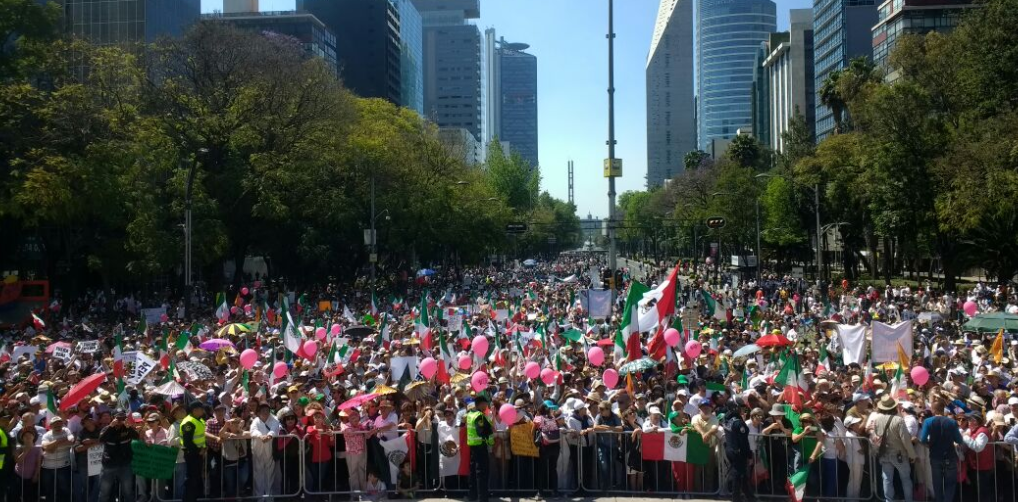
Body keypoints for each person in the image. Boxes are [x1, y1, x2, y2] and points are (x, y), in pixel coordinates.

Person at [869, 394, 916, 502]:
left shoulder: (877, 420)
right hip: (899, 455)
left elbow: (876, 438)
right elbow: (905, 440)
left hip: (884, 453)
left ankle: (888, 500)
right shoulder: (898, 420)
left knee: (887, 480)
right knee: (906, 479)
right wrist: (912, 454)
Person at [921, 399, 966, 502]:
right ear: (943, 409)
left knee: (937, 483)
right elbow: (959, 440)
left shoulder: (928, 421)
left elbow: (923, 439)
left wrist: (930, 445)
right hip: (950, 456)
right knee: (950, 484)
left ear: (933, 409)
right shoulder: (952, 422)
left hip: (935, 456)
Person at [97, 409, 140, 502]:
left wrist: (129, 427)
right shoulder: (106, 429)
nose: (120, 420)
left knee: (128, 492)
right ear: (113, 418)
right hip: (109, 465)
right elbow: (101, 440)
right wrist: (111, 426)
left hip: (125, 464)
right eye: (118, 418)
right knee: (104, 493)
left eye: (122, 418)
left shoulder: (127, 428)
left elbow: (137, 437)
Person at [723, 402, 753, 502]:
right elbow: (743, 442)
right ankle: (736, 498)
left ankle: (749, 497)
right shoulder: (738, 423)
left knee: (741, 474)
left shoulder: (727, 420)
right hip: (738, 452)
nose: (744, 410)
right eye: (742, 407)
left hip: (730, 450)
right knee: (738, 475)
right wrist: (749, 455)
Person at [466, 394, 494, 502]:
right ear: (481, 404)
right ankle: (482, 498)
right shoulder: (479, 416)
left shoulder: (470, 414)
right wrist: (489, 430)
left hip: (473, 446)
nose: (487, 406)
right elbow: (481, 431)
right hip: (480, 446)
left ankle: (472, 496)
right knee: (481, 473)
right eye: (486, 404)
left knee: (473, 472)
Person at [40, 415, 75, 502]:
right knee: (49, 490)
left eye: (59, 423)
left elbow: (71, 441)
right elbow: (45, 447)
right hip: (48, 468)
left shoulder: (66, 430)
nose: (57, 425)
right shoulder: (46, 435)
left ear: (62, 424)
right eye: (55, 424)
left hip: (63, 466)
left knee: (64, 489)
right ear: (51, 426)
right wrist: (59, 441)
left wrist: (52, 446)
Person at [249, 402, 279, 498]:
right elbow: (253, 430)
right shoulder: (256, 421)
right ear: (259, 412)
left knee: (269, 473)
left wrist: (269, 435)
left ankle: (269, 496)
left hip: (270, 450)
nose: (265, 412)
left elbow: (275, 428)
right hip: (257, 450)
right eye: (262, 410)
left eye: (267, 410)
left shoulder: (274, 419)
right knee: (258, 473)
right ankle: (260, 497)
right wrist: (260, 436)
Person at [180, 401, 207, 502]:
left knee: (196, 478)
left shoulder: (200, 420)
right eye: (201, 409)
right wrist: (198, 451)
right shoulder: (189, 422)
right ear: (195, 410)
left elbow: (201, 436)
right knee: (191, 479)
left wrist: (204, 448)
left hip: (198, 454)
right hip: (192, 454)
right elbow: (187, 442)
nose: (203, 411)